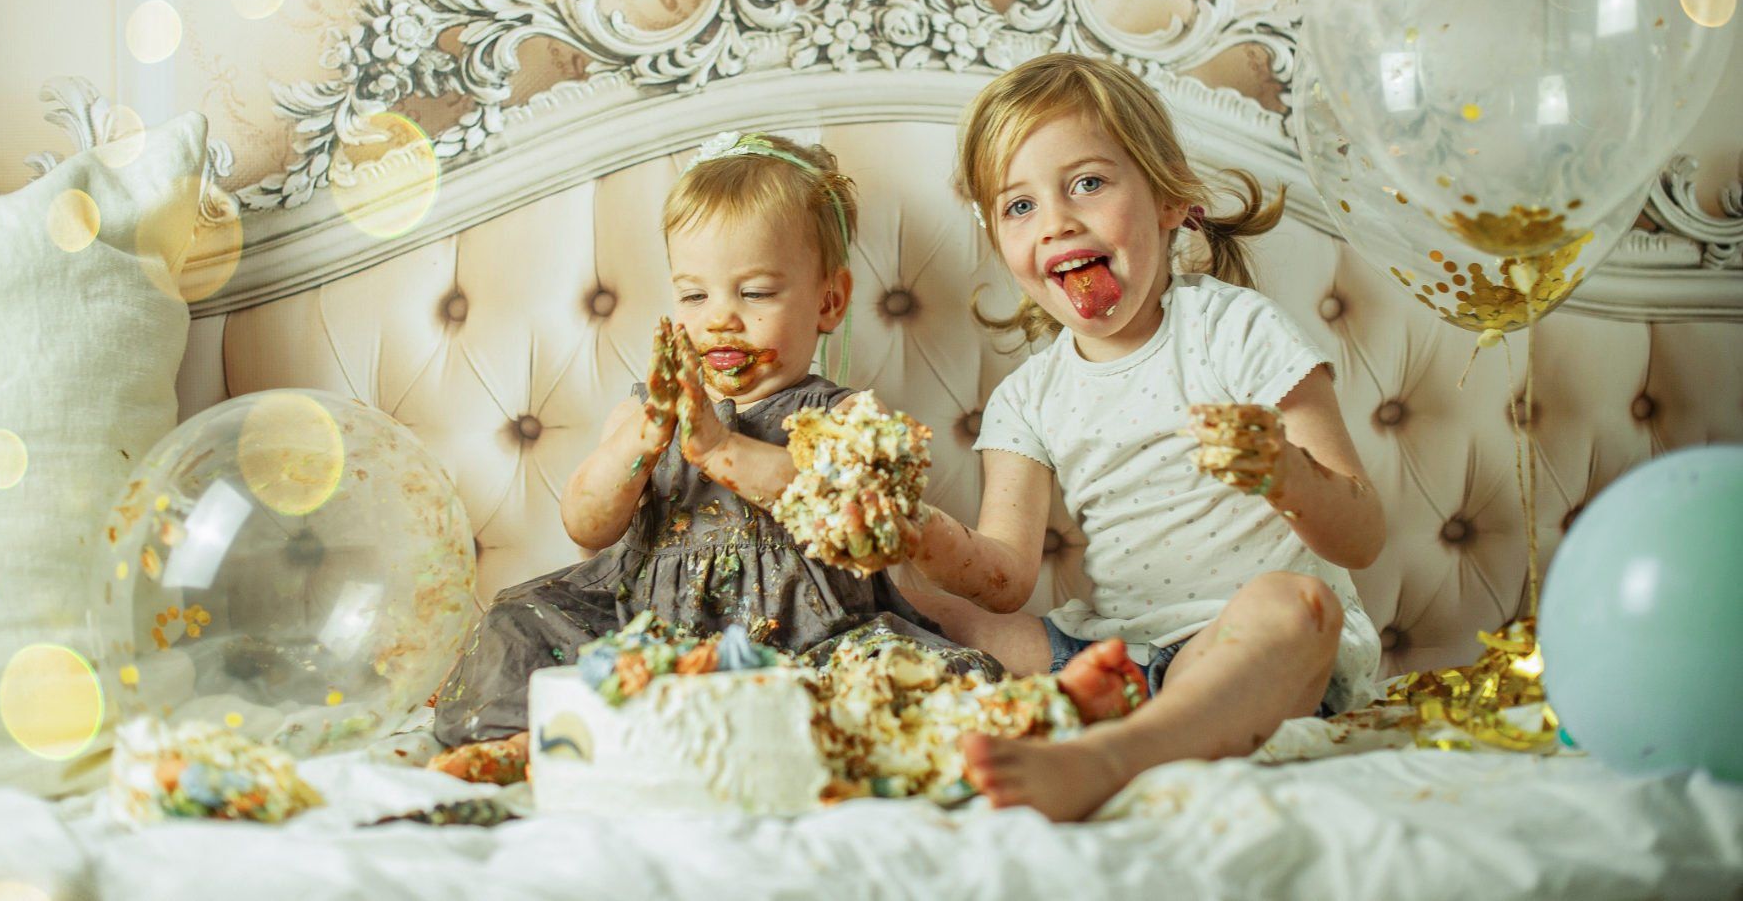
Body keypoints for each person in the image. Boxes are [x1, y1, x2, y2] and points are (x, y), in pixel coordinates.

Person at [900, 53, 1386, 820]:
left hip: (1247, 653)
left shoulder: (1237, 330)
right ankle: (1101, 714)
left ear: (1166, 198)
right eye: (1018, 206)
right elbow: (1004, 578)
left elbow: (1361, 537)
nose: (1057, 221)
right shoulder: (1028, 397)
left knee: (1295, 607)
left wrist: (1285, 474)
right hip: (1115, 655)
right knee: (917, 607)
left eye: (1088, 184)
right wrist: (909, 530)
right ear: (999, 241)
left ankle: (1115, 756)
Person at [431, 131, 988, 751]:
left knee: (905, 677)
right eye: (694, 295)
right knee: (518, 621)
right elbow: (586, 525)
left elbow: (853, 513)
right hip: (646, 630)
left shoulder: (846, 416)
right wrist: (645, 438)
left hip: (806, 637)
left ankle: (779, 746)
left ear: (829, 301)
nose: (720, 317)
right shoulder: (649, 410)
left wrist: (720, 447)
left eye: (754, 293)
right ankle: (527, 747)